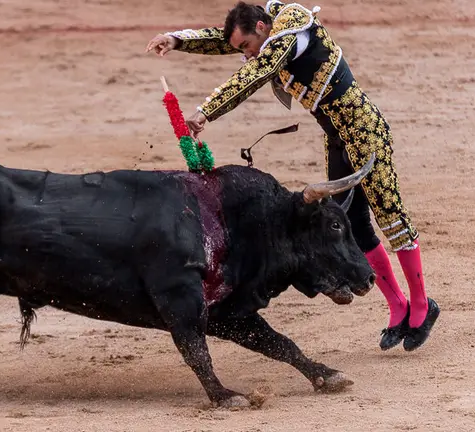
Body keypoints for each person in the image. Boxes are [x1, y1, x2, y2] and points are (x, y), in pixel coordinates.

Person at [145, 1, 439, 351]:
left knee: (390, 216)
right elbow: (223, 41)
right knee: (353, 224)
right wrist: (178, 40)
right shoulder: (264, 34)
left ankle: (422, 305)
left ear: (260, 28)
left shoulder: (290, 26)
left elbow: (258, 72)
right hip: (337, 137)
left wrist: (207, 110)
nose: (245, 55)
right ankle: (398, 306)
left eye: (245, 47)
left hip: (365, 130)